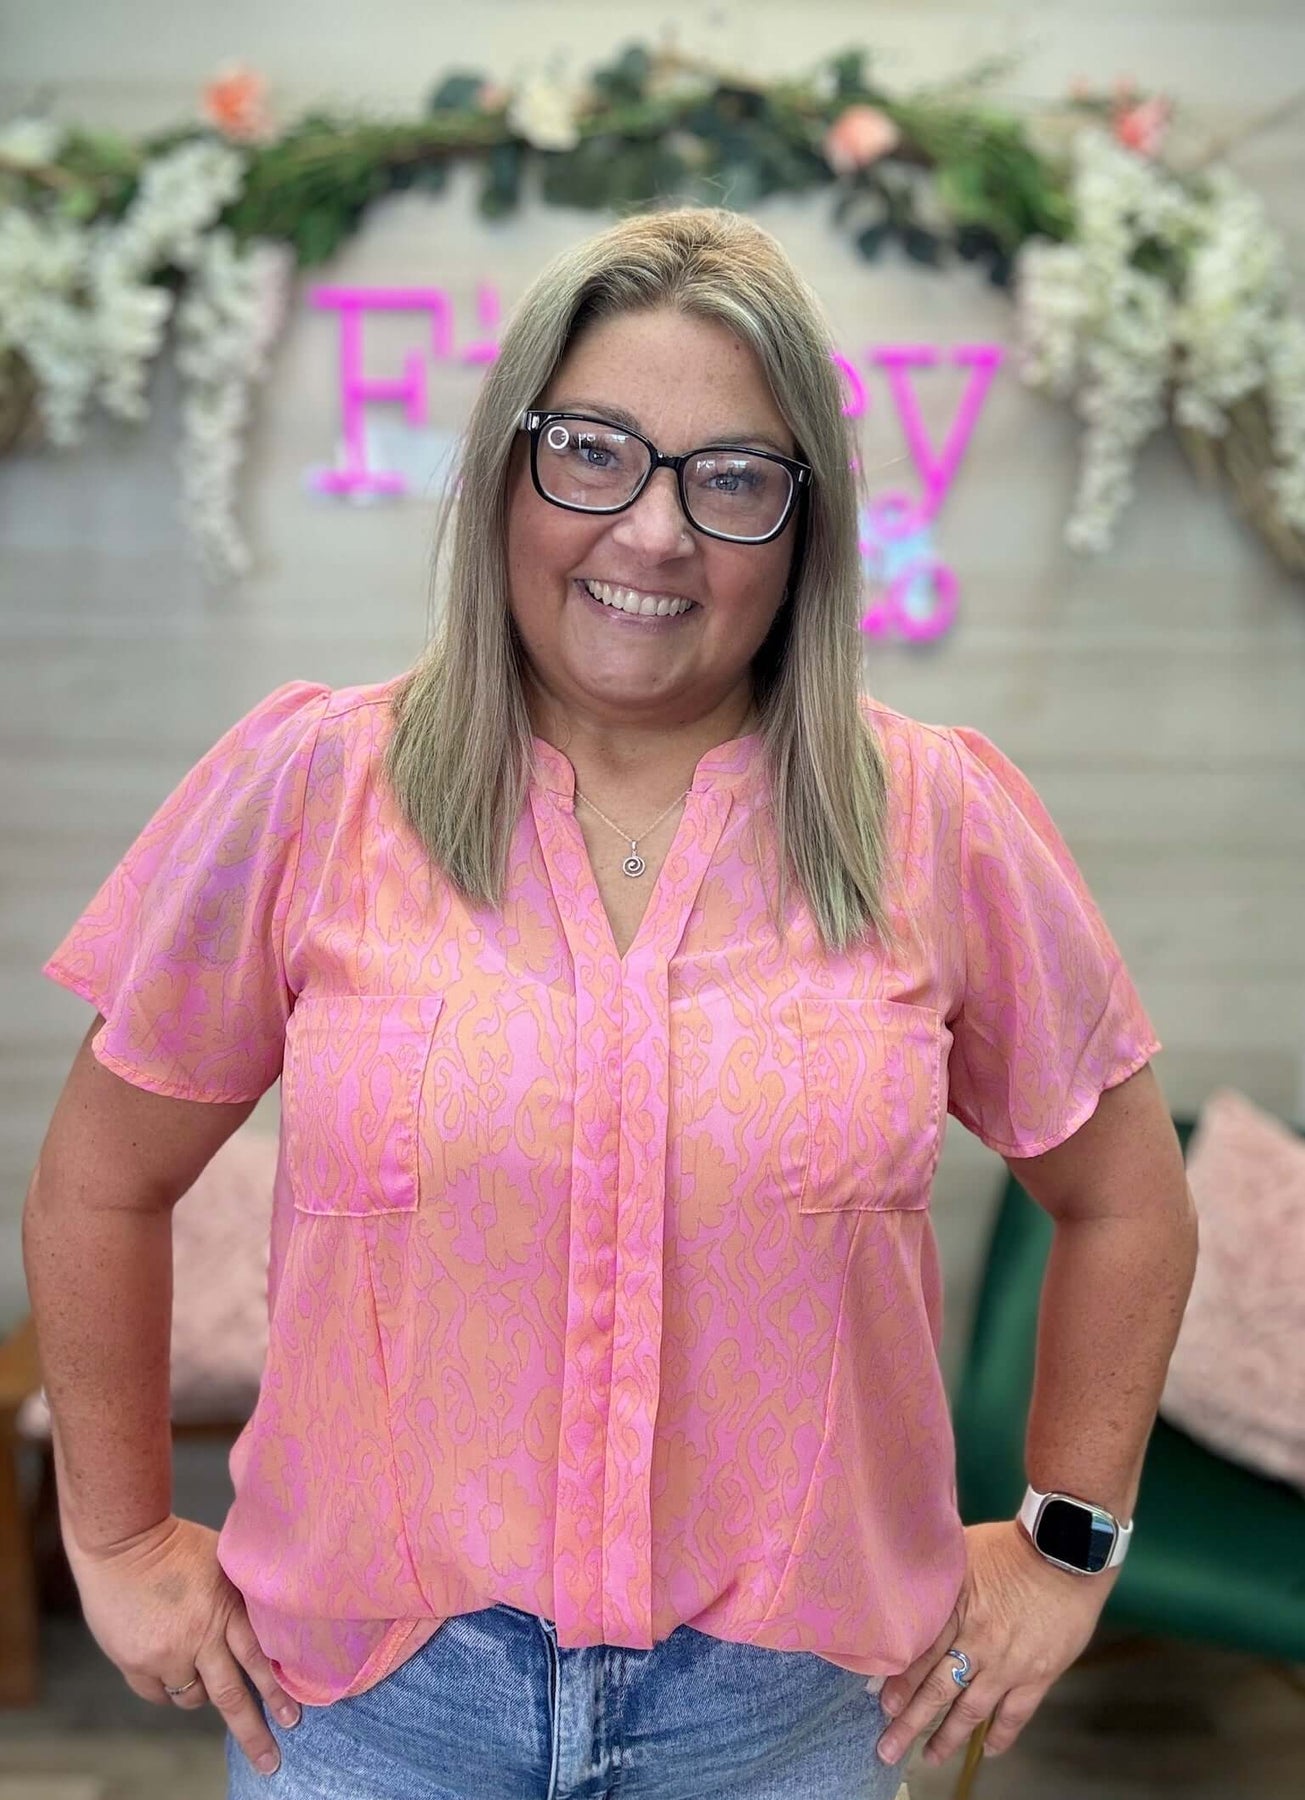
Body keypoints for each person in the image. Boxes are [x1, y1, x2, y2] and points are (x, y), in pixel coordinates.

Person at [23, 205, 1198, 1800]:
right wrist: (113, 1537)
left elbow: (1126, 1198)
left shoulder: (935, 819)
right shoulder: (314, 787)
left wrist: (1066, 1544)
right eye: (592, 451)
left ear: (803, 526)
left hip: (782, 1720)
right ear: (506, 470)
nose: (652, 534)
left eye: (733, 478)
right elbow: (100, 1177)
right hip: (372, 1711)